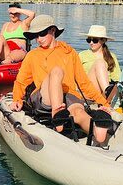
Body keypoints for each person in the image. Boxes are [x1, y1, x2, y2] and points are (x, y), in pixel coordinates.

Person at [10, 15, 111, 144]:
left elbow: (83, 82)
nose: (38, 39)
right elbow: (21, 81)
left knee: (79, 112)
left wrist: (104, 103)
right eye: (36, 36)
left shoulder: (69, 52)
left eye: (41, 34)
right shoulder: (32, 55)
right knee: (56, 71)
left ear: (53, 30)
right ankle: (57, 114)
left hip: (68, 94)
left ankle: (99, 134)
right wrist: (17, 99)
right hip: (44, 96)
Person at [78, 24, 121, 93]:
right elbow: (76, 76)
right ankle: (107, 93)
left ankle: (107, 93)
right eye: (89, 40)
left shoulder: (111, 56)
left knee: (100, 63)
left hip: (103, 89)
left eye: (94, 40)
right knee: (99, 63)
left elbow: (117, 78)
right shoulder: (82, 55)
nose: (91, 43)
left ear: (103, 40)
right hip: (87, 89)